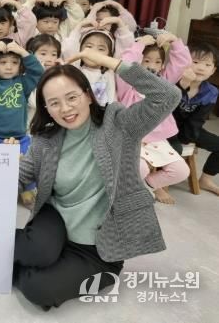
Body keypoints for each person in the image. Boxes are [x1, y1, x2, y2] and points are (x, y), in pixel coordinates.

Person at [14, 48, 181, 310]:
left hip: (98, 249)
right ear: (46, 108)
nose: (65, 109)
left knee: (39, 289)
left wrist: (109, 62)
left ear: (88, 94)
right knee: (38, 251)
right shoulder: (45, 139)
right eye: (54, 103)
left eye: (72, 97)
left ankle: (20, 263)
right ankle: (19, 251)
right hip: (54, 222)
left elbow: (168, 95)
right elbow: (19, 178)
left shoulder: (119, 125)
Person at [117, 34, 191, 204]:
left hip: (156, 140)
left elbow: (181, 63)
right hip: (131, 138)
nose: (152, 66)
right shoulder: (127, 86)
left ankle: (145, 187)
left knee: (181, 171)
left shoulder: (163, 83)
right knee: (140, 168)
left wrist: (175, 41)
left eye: (158, 62)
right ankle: (126, 194)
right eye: (147, 60)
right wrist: (139, 45)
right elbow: (124, 64)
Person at [170, 42, 219, 196]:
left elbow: (197, 120)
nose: (201, 68)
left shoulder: (211, 92)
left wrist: (187, 139)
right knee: (175, 148)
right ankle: (159, 181)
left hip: (190, 129)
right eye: (195, 62)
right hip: (166, 127)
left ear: (213, 70)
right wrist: (183, 85)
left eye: (207, 64)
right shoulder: (173, 80)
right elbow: (167, 112)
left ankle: (205, 180)